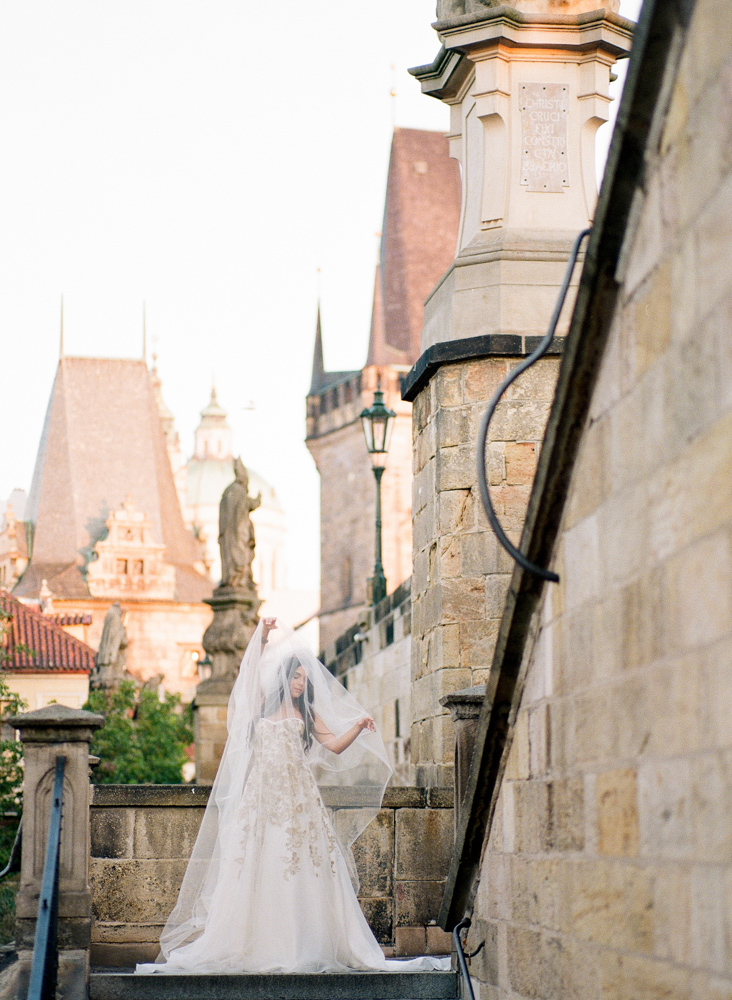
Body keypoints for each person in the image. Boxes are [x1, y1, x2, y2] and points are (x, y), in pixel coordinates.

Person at [136, 617, 448, 974]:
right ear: (285, 677)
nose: (301, 683)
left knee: (303, 864)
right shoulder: (263, 705)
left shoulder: (307, 712)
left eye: (305, 678)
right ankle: (258, 944)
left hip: (298, 798)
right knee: (258, 862)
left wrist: (358, 727)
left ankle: (304, 944)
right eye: (296, 676)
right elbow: (246, 678)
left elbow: (333, 746)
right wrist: (264, 638)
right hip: (262, 799)